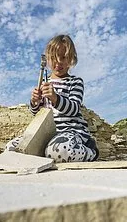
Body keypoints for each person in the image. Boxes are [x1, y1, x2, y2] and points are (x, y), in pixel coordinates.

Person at [6, 34, 99, 163]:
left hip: (70, 131)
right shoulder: (44, 83)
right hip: (45, 134)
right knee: (11, 148)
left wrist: (55, 98)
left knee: (59, 150)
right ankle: (46, 154)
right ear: (48, 59)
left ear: (71, 60)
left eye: (64, 57)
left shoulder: (75, 82)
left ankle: (90, 152)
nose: (58, 62)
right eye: (54, 57)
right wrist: (34, 102)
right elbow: (37, 113)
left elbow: (74, 109)